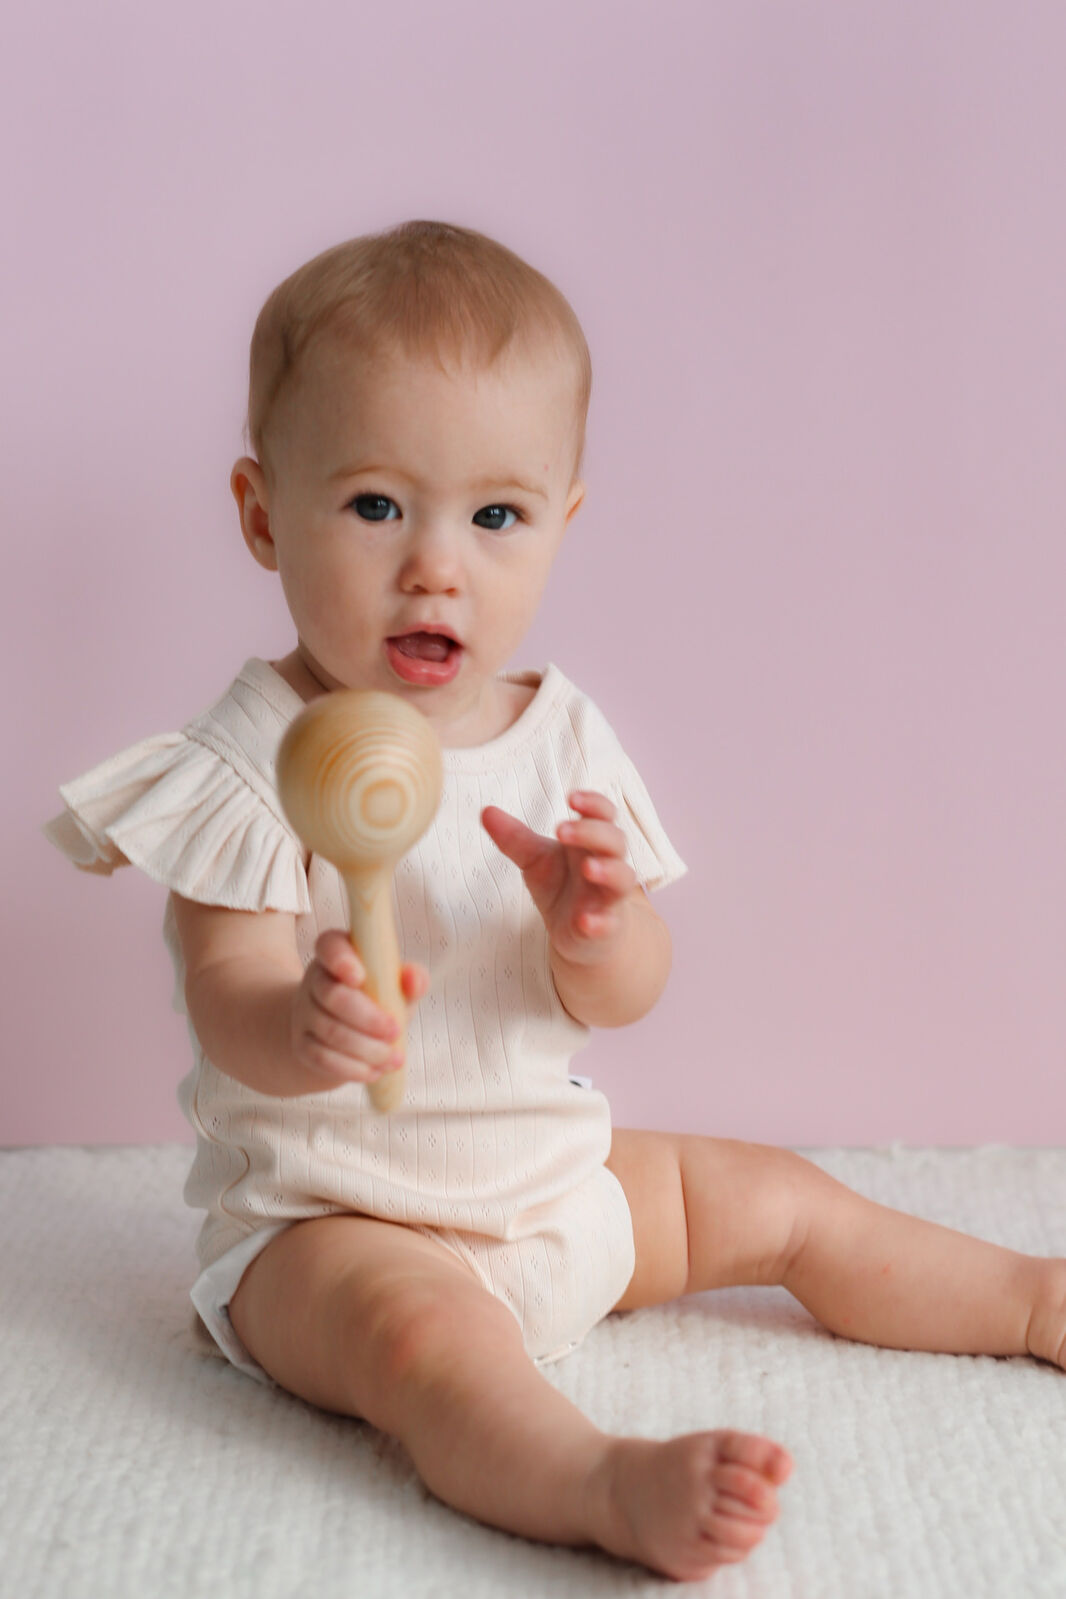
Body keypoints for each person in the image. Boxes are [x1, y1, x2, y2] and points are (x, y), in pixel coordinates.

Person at [46, 220, 1065, 1584]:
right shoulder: (253, 763)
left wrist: (600, 929)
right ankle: (591, 1478)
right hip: (334, 1227)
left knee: (776, 1195)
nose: (434, 565)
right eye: (372, 506)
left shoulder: (561, 738)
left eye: (495, 516)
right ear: (257, 512)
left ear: (561, 521)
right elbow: (226, 992)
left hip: (551, 1181)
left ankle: (1023, 1297)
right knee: (422, 1346)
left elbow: (625, 996)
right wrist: (303, 1021)